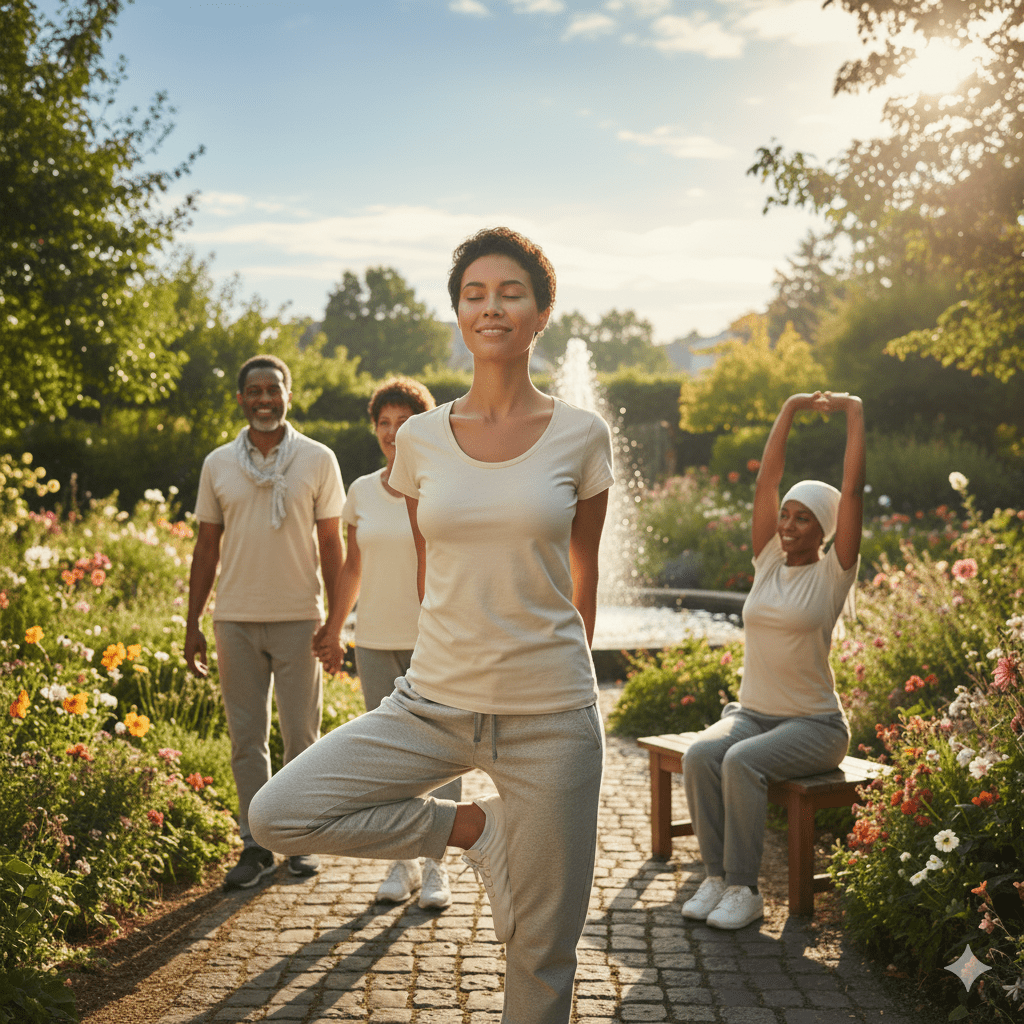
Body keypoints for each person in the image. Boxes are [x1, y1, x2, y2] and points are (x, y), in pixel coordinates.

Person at [250, 226, 613, 1024]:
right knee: (278, 814)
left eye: (511, 292)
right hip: (432, 704)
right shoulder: (416, 439)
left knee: (542, 952)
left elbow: (582, 576)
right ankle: (476, 832)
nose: (492, 307)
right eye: (475, 293)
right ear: (457, 310)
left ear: (542, 311)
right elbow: (427, 571)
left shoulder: (583, 435)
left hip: (551, 717)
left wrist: (565, 685)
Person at [680, 390, 865, 929]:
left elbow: (851, 490)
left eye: (803, 518)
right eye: (785, 515)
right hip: (752, 714)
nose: (787, 525)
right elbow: (766, 480)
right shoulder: (767, 562)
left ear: (824, 529)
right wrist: (788, 406)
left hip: (815, 725)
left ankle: (744, 888)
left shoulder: (833, 574)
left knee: (741, 762)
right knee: (700, 756)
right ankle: (716, 878)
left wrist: (853, 412)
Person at [185, 354, 346, 889]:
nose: (263, 400)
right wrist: (192, 625)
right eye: (253, 391)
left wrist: (335, 621)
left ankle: (299, 839)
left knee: (302, 737)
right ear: (241, 398)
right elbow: (206, 548)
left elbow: (331, 542)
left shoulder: (318, 459)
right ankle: (254, 847)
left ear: (288, 395)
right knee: (245, 739)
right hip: (235, 620)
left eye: (272, 390)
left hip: (301, 618)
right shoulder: (217, 464)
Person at [314, 376, 462, 910]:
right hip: (374, 641)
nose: (393, 433)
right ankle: (399, 863)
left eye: (404, 423)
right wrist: (335, 628)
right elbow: (352, 566)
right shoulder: (360, 491)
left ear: (420, 428)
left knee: (442, 751)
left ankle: (437, 866)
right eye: (384, 423)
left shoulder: (441, 486)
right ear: (374, 428)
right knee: (390, 756)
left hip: (433, 641)